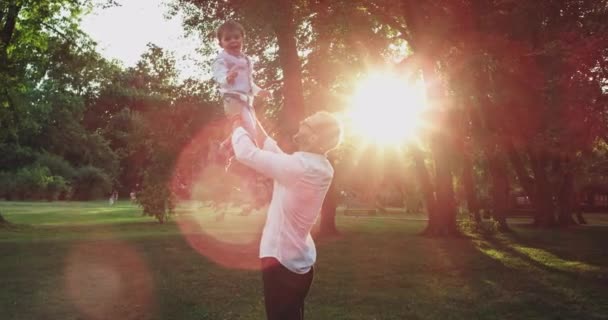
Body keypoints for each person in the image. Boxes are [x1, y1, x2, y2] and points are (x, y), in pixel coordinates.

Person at [231, 111, 343, 320]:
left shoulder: (299, 167)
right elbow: (273, 150)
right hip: (300, 263)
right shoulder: (321, 166)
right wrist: (250, 113)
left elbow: (246, 153)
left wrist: (236, 123)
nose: (301, 121)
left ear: (314, 137)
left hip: (281, 262)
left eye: (307, 123)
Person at [212, 20, 270, 160]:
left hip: (246, 100)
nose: (233, 41)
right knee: (249, 128)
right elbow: (219, 75)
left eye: (236, 37)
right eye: (227, 39)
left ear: (242, 39)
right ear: (221, 43)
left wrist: (259, 91)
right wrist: (227, 77)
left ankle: (224, 149)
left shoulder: (246, 60)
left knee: (249, 129)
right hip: (232, 98)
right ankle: (250, 157)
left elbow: (248, 82)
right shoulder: (222, 59)